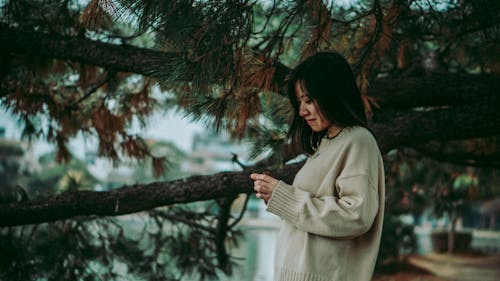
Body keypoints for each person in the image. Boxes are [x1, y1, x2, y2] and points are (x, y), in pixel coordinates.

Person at [250, 51, 385, 281]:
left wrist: (284, 197)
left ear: (332, 94)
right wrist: (277, 196)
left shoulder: (358, 141)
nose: (302, 111)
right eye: (300, 102)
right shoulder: (327, 143)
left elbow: (356, 216)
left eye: (309, 100)